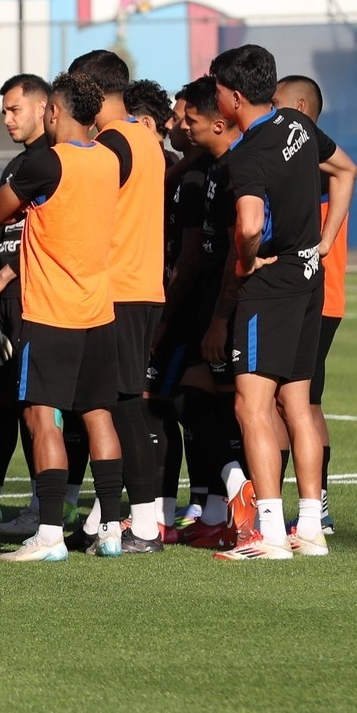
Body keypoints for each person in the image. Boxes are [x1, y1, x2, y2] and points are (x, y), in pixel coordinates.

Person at [206, 45, 356, 561]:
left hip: (269, 288)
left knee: (251, 405)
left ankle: (268, 531)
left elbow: (248, 224)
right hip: (309, 278)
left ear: (234, 96)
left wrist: (247, 260)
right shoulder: (297, 124)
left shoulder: (246, 155)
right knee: (297, 405)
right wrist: (327, 238)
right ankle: (309, 526)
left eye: (218, 89)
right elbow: (346, 171)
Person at [0, 72, 127, 562]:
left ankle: (48, 535)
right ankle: (111, 528)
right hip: (98, 310)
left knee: (40, 416)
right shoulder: (110, 160)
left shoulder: (47, 162)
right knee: (98, 414)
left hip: (50, 312)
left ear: (54, 111)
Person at [69, 49, 169, 552]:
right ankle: (105, 518)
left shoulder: (110, 143)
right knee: (112, 401)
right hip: (140, 284)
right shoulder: (144, 138)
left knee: (122, 404)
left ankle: (146, 524)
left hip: (117, 287)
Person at [158, 78, 245, 549]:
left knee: (241, 407)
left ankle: (248, 504)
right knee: (195, 397)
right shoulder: (207, 167)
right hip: (208, 303)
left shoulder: (235, 168)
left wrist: (219, 318)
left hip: (225, 307)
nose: (182, 126)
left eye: (188, 118)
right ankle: (220, 507)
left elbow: (236, 247)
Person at [278, 73, 345, 536]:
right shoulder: (308, 157)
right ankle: (312, 501)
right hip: (311, 293)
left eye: (280, 106)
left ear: (301, 108)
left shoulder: (314, 161)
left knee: (303, 402)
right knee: (300, 400)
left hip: (315, 295)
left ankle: (316, 502)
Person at [0, 73, 50, 537]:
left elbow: (55, 236)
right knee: (3, 405)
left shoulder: (54, 162)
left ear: (44, 107)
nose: (7, 119)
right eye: (4, 110)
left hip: (35, 301)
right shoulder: (17, 166)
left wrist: (7, 274)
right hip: (3, 302)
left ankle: (44, 508)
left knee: (35, 409)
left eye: (14, 109)